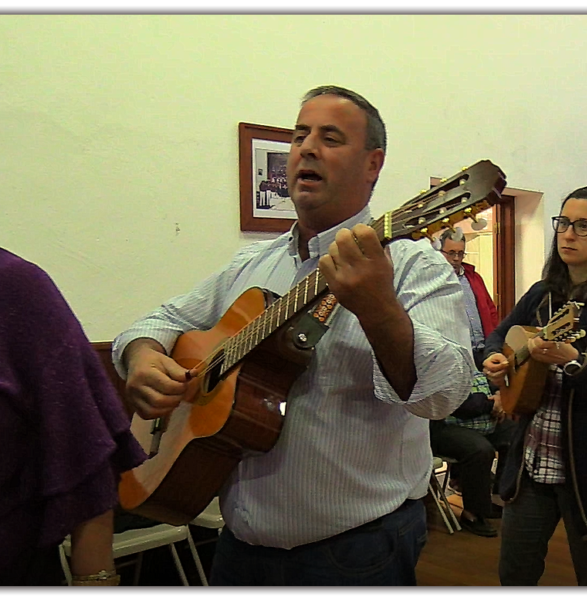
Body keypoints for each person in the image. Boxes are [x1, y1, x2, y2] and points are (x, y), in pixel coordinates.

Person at [112, 85, 475, 586]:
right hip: (238, 548)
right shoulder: (250, 264)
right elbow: (152, 324)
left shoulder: (416, 265)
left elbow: (445, 394)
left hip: (357, 552)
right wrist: (142, 358)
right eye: (300, 135)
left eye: (330, 137)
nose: (306, 147)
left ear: (373, 164)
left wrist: (379, 309)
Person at [482, 186, 587, 585]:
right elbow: (498, 336)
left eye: (583, 226)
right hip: (533, 463)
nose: (568, 234)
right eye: (564, 223)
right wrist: (493, 359)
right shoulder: (543, 295)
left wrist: (574, 362)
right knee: (514, 574)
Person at [0, 248, 146, 586]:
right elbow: (160, 324)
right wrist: (145, 347)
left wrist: (95, 580)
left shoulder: (16, 285)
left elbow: (86, 446)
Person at [429, 371, 516, 537]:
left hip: (482, 418)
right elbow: (452, 402)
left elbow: (490, 381)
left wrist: (499, 396)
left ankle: (498, 498)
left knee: (515, 436)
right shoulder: (439, 356)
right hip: (444, 426)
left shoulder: (478, 353)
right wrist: (490, 405)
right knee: (480, 450)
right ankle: (473, 514)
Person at [437, 228, 500, 369]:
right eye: (451, 253)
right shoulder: (434, 282)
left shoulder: (473, 277)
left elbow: (491, 311)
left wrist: (495, 342)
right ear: (440, 253)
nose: (456, 258)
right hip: (457, 354)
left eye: (460, 253)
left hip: (484, 350)